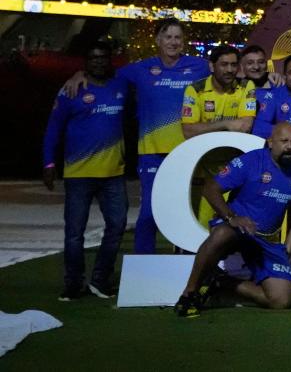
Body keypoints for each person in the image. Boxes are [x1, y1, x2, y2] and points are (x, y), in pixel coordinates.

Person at [63, 17, 209, 254]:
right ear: (158, 40)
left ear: (184, 41)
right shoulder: (140, 69)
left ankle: (185, 263)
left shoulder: (200, 66)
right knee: (149, 213)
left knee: (187, 211)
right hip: (152, 153)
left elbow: (234, 69)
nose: (173, 42)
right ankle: (144, 263)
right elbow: (103, 72)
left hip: (187, 152)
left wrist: (273, 76)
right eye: (168, 37)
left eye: (177, 37)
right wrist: (79, 74)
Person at [174, 122, 291, 316]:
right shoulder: (250, 161)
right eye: (284, 141)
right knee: (221, 234)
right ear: (270, 142)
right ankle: (190, 294)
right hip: (236, 228)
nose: (289, 146)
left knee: (284, 299)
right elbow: (210, 188)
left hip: (265, 240)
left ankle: (221, 282)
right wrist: (231, 217)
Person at [43, 41, 128, 300]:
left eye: (103, 57)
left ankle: (100, 280)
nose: (99, 62)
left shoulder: (121, 86)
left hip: (113, 174)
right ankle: (73, 284)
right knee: (74, 234)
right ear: (86, 62)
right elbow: (53, 128)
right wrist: (48, 163)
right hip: (79, 174)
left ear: (110, 60)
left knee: (117, 227)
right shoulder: (71, 90)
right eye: (93, 58)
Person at [181, 45, 257, 225]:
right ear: (211, 66)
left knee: (235, 226)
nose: (230, 70)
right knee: (200, 226)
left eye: (233, 65)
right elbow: (188, 131)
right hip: (204, 169)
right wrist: (225, 123)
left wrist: (206, 127)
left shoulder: (246, 86)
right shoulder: (195, 90)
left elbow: (244, 126)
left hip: (235, 171)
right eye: (224, 64)